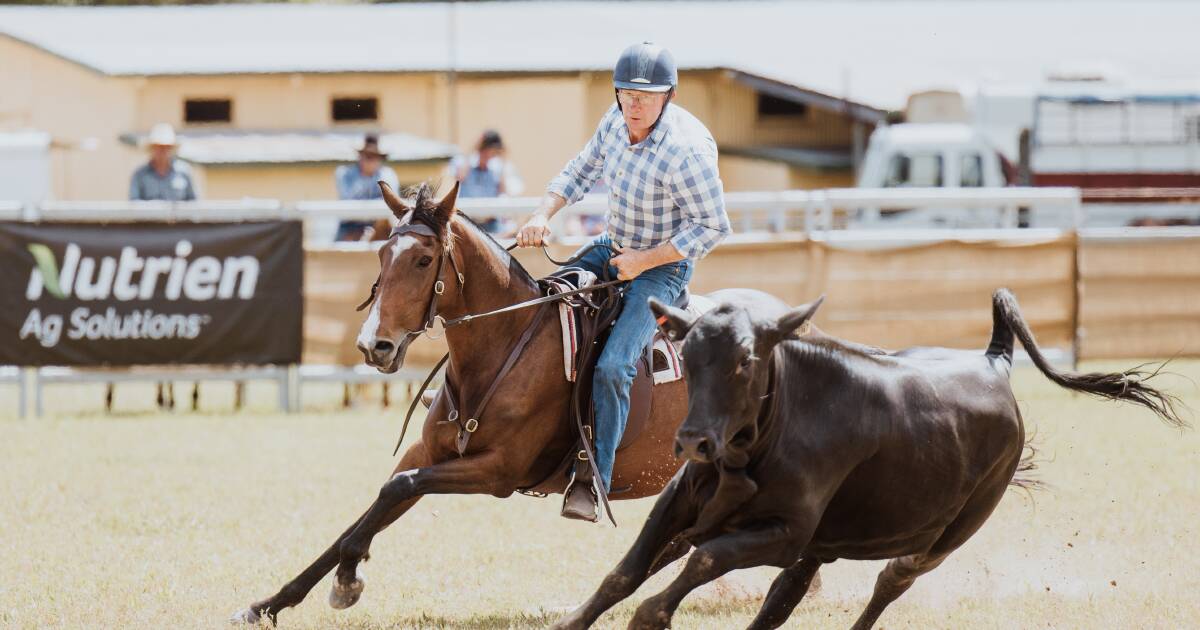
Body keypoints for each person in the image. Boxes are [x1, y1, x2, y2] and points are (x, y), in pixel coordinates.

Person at [517, 42, 731, 521]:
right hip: (615, 245)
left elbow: (714, 226)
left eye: (646, 96)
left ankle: (594, 481)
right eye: (627, 93)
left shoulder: (686, 152)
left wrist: (644, 262)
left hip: (663, 267)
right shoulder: (614, 123)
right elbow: (581, 169)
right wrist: (542, 213)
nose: (634, 104)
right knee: (542, 305)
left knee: (615, 367)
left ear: (668, 97)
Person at [448, 130, 524, 235]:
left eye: (494, 151)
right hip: (467, 223)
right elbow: (460, 176)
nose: (489, 154)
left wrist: (503, 159)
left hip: (492, 224)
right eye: (487, 149)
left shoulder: (498, 167)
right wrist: (473, 149)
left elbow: (504, 191)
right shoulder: (465, 162)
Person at [334, 134, 400, 241]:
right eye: (367, 156)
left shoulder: (388, 174)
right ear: (360, 156)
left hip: (379, 227)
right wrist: (365, 178)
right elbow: (347, 201)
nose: (371, 161)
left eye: (374, 157)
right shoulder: (345, 174)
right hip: (351, 227)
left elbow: (392, 203)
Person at [129, 123, 197, 201]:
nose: (163, 151)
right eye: (159, 147)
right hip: (150, 214)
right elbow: (134, 203)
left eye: (166, 147)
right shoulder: (140, 174)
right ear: (152, 148)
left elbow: (194, 202)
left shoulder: (184, 172)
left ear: (171, 148)